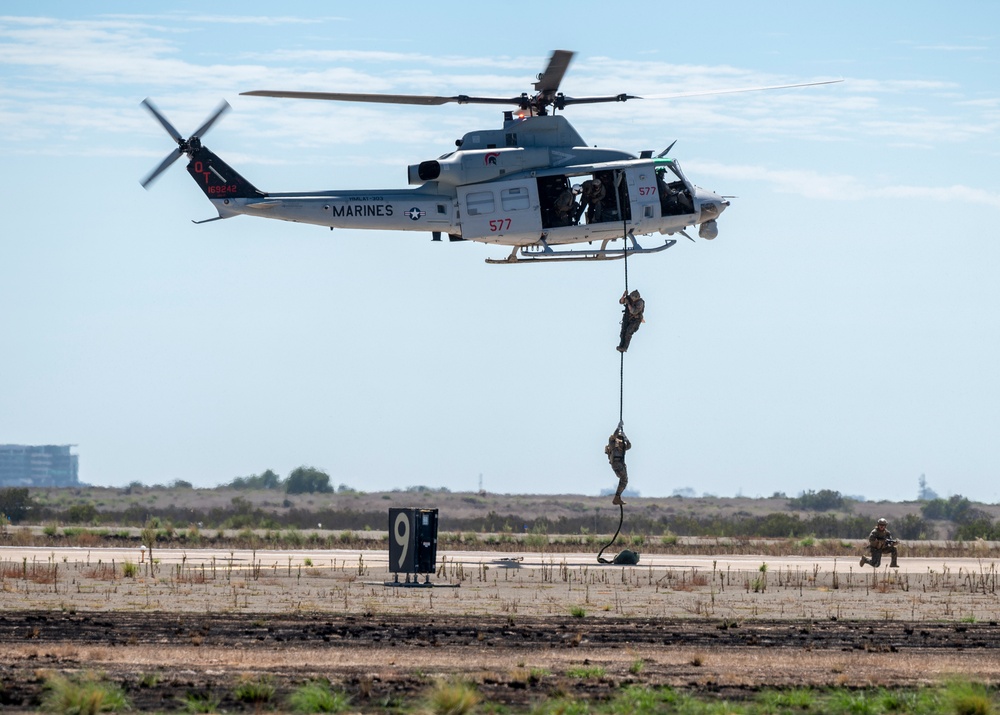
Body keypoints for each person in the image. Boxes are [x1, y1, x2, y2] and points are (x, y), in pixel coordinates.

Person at [605, 423, 631, 505]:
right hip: (616, 463)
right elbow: (614, 435)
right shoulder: (613, 443)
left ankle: (617, 497)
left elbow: (629, 446)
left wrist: (626, 438)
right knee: (623, 479)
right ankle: (616, 497)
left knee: (624, 480)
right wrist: (618, 427)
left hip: (620, 464)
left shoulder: (622, 445)